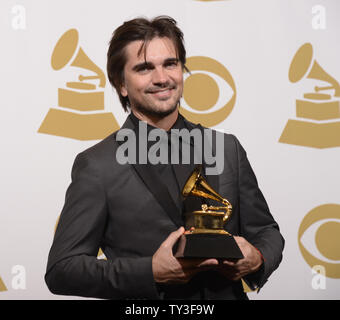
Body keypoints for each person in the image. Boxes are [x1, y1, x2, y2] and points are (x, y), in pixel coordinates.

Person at [45, 16, 284, 300]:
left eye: (170, 64)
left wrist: (257, 257)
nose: (161, 78)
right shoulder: (98, 165)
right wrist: (150, 271)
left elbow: (267, 231)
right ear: (121, 84)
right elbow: (62, 269)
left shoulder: (227, 148)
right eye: (144, 68)